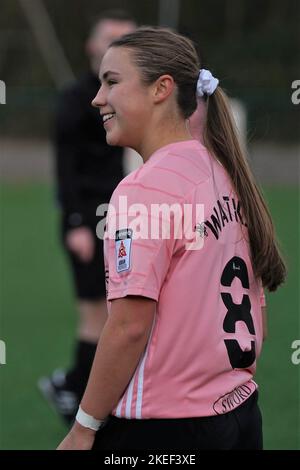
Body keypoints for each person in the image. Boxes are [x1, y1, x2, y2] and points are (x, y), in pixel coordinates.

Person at [57, 27, 286, 450]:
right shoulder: (222, 173)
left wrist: (84, 426)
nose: (97, 98)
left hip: (166, 428)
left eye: (112, 82)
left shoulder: (144, 189)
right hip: (239, 414)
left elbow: (128, 326)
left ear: (161, 88)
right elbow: (260, 321)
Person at [38, 11, 137, 425]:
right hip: (87, 220)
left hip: (117, 215)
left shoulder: (126, 96)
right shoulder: (76, 99)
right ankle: (77, 394)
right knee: (98, 315)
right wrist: (77, 222)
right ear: (92, 47)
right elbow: (65, 167)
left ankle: (75, 388)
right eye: (111, 39)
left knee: (115, 313)